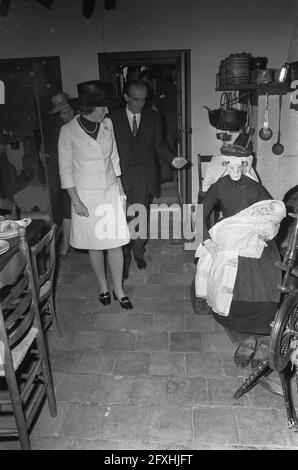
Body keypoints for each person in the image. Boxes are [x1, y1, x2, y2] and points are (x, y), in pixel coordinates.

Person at [195, 151, 283, 369]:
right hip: (228, 233)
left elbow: (271, 213)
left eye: (239, 167)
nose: (235, 172)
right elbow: (199, 215)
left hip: (253, 233)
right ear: (225, 165)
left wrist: (266, 230)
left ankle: (262, 334)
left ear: (245, 166)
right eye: (230, 167)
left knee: (266, 269)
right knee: (230, 270)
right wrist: (206, 240)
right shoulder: (219, 186)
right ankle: (245, 334)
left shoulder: (254, 187)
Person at [58, 80, 132, 309]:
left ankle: (119, 289)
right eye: (102, 107)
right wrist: (76, 201)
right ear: (88, 109)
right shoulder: (68, 131)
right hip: (85, 198)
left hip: (110, 191)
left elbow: (115, 158)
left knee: (115, 243)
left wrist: (120, 190)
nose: (107, 111)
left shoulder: (108, 124)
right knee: (95, 244)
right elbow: (65, 169)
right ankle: (102, 286)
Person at [110, 80, 187, 279]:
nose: (140, 104)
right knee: (123, 219)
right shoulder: (111, 119)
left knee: (140, 217)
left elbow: (159, 145)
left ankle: (138, 253)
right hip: (120, 176)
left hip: (144, 175)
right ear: (126, 97)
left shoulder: (153, 117)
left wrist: (173, 158)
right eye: (136, 100)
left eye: (144, 100)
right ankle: (124, 258)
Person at [49, 92, 77, 258]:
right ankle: (66, 243)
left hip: (84, 173)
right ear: (59, 115)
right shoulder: (58, 131)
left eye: (69, 110)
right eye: (63, 113)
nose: (68, 115)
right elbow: (56, 157)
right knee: (67, 210)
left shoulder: (82, 123)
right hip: (68, 174)